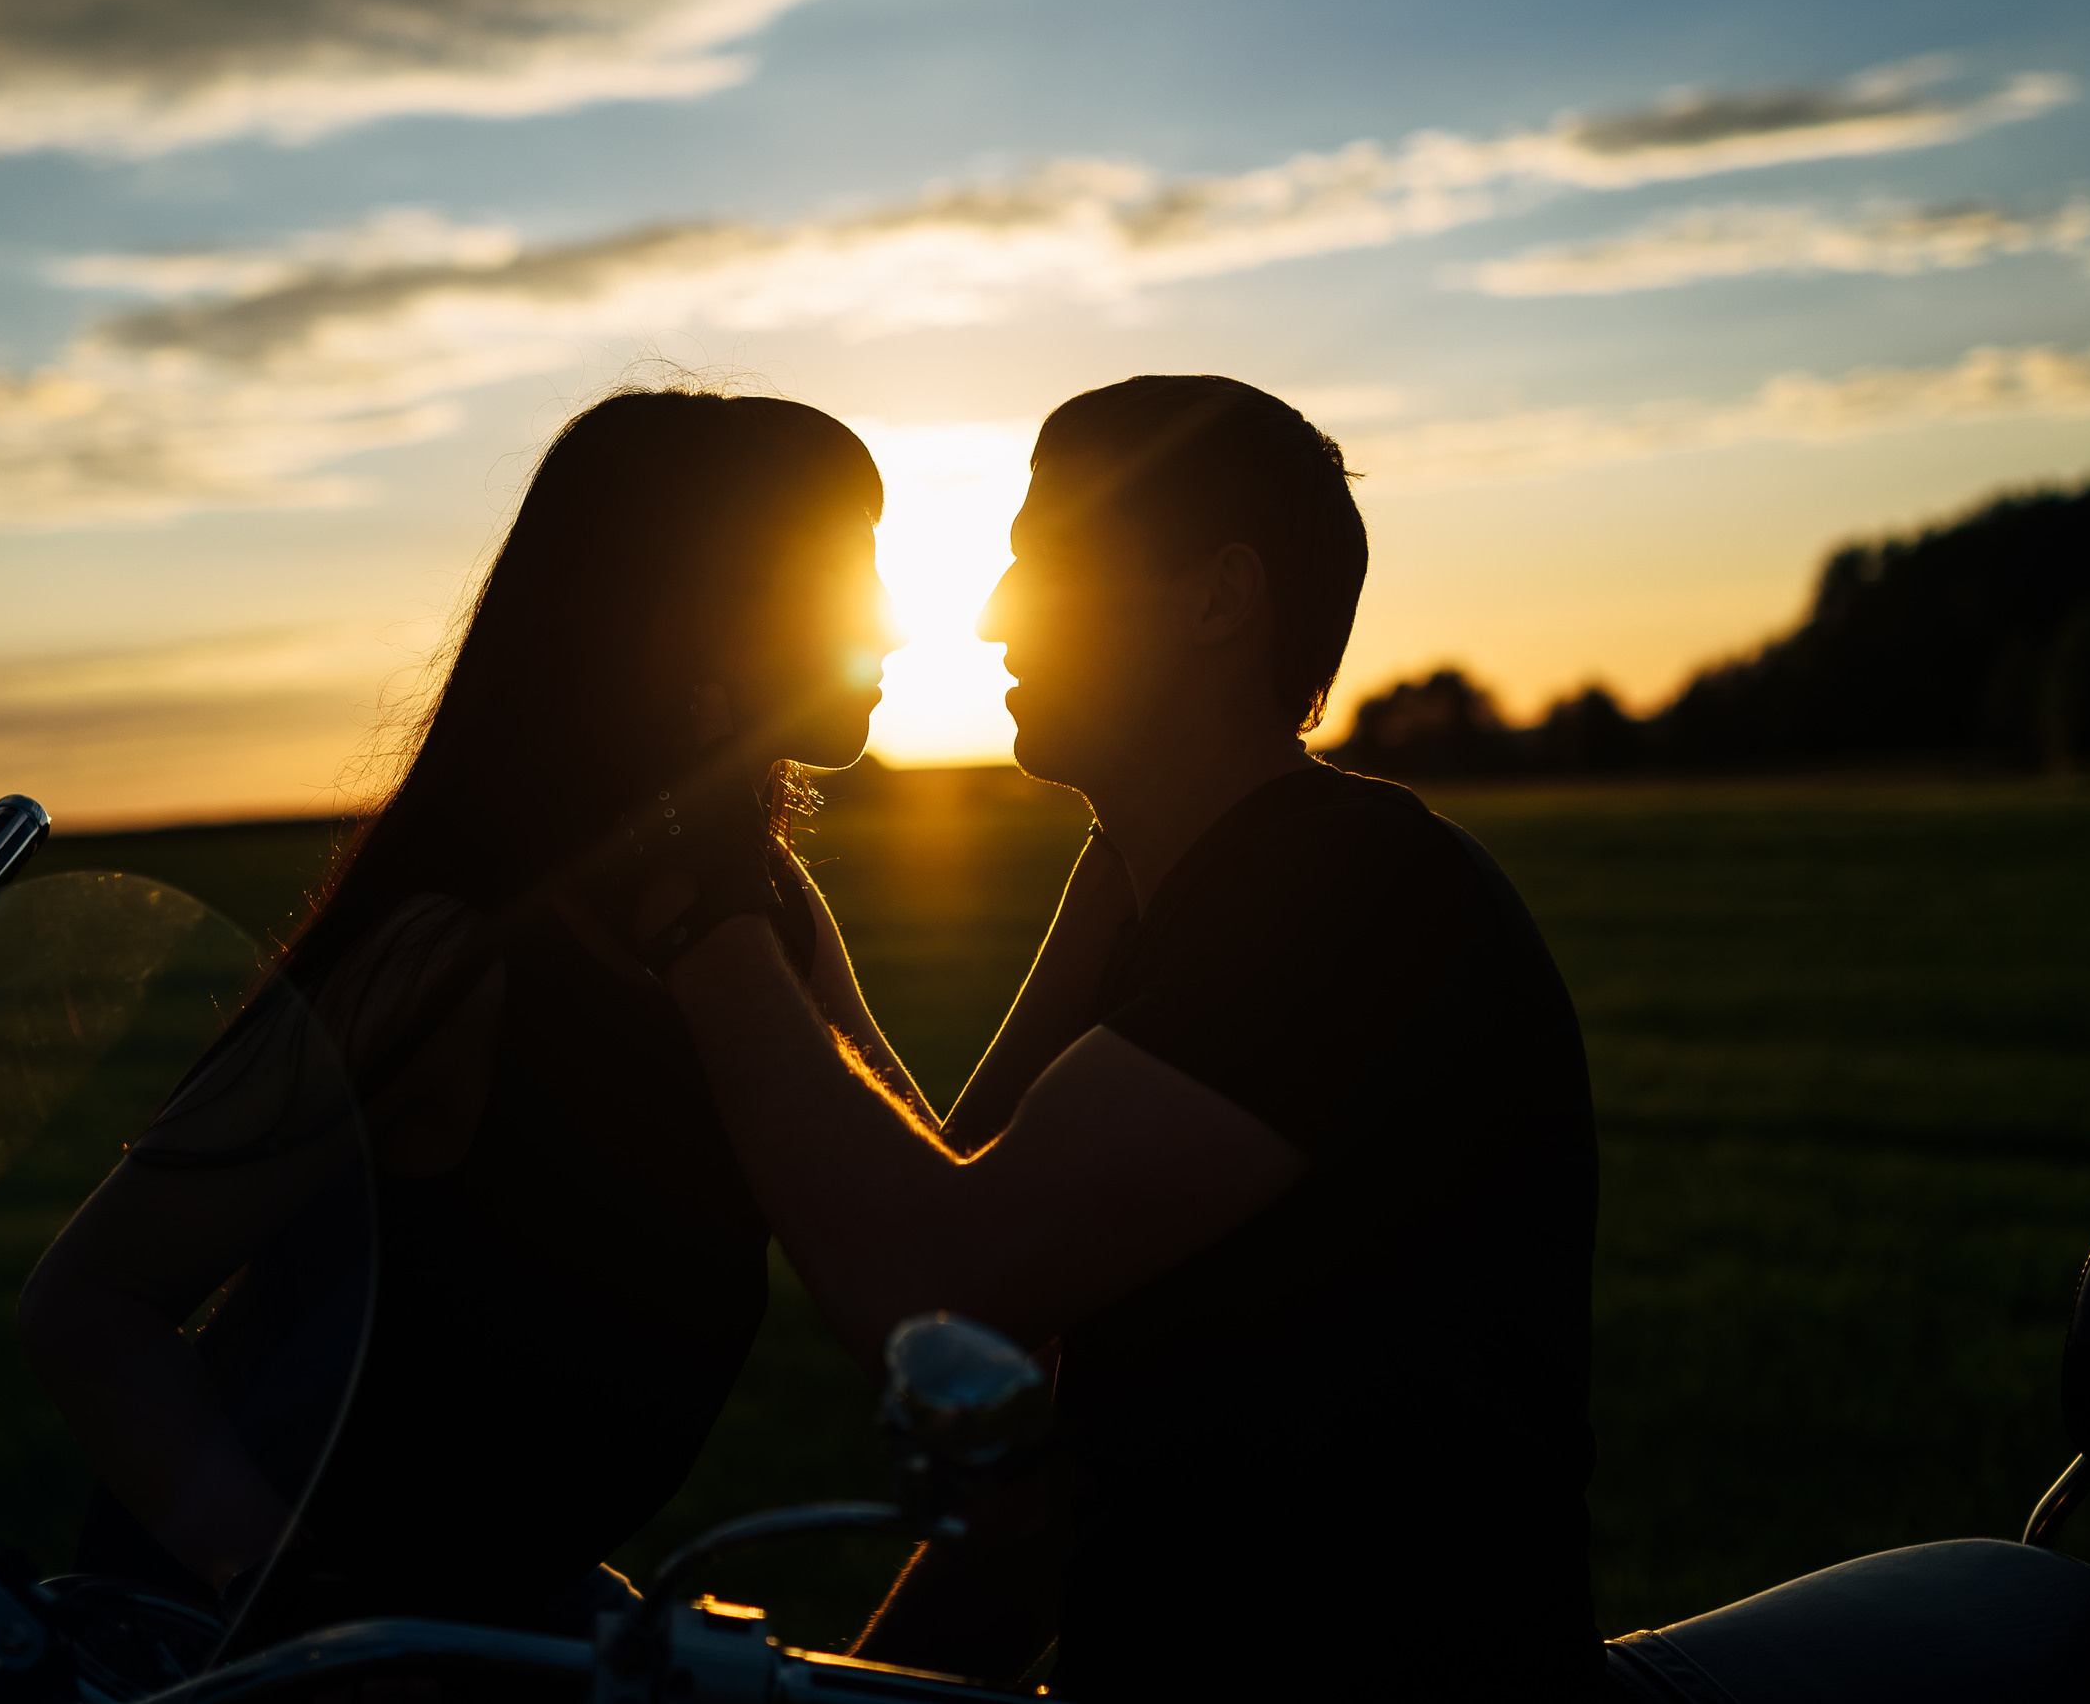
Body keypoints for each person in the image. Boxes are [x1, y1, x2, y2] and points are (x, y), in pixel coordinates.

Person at [626, 374, 1602, 1699]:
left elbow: (936, 1292)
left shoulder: (1354, 893)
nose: (989, 612)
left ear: (1218, 598)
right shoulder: (1187, 891)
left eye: (1052, 557)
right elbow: (966, 1214)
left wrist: (702, 903)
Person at [17, 387, 918, 1641]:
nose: (895, 623)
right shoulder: (451, 943)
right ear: (695, 611)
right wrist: (285, 1594)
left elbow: (922, 1239)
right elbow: (91, 1297)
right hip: (255, 1662)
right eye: (845, 573)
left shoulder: (767, 915)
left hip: (496, 1632)